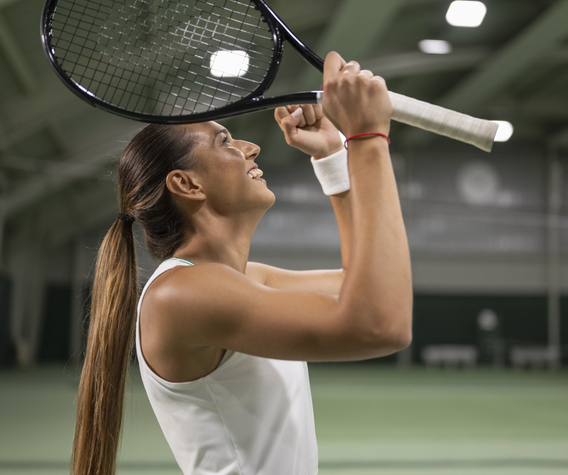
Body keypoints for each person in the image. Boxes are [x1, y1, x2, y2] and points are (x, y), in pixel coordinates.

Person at [71, 52, 413, 475]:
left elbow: (370, 285)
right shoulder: (180, 295)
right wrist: (366, 139)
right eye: (225, 141)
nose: (250, 147)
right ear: (186, 184)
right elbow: (383, 323)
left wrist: (330, 156)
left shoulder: (241, 281)